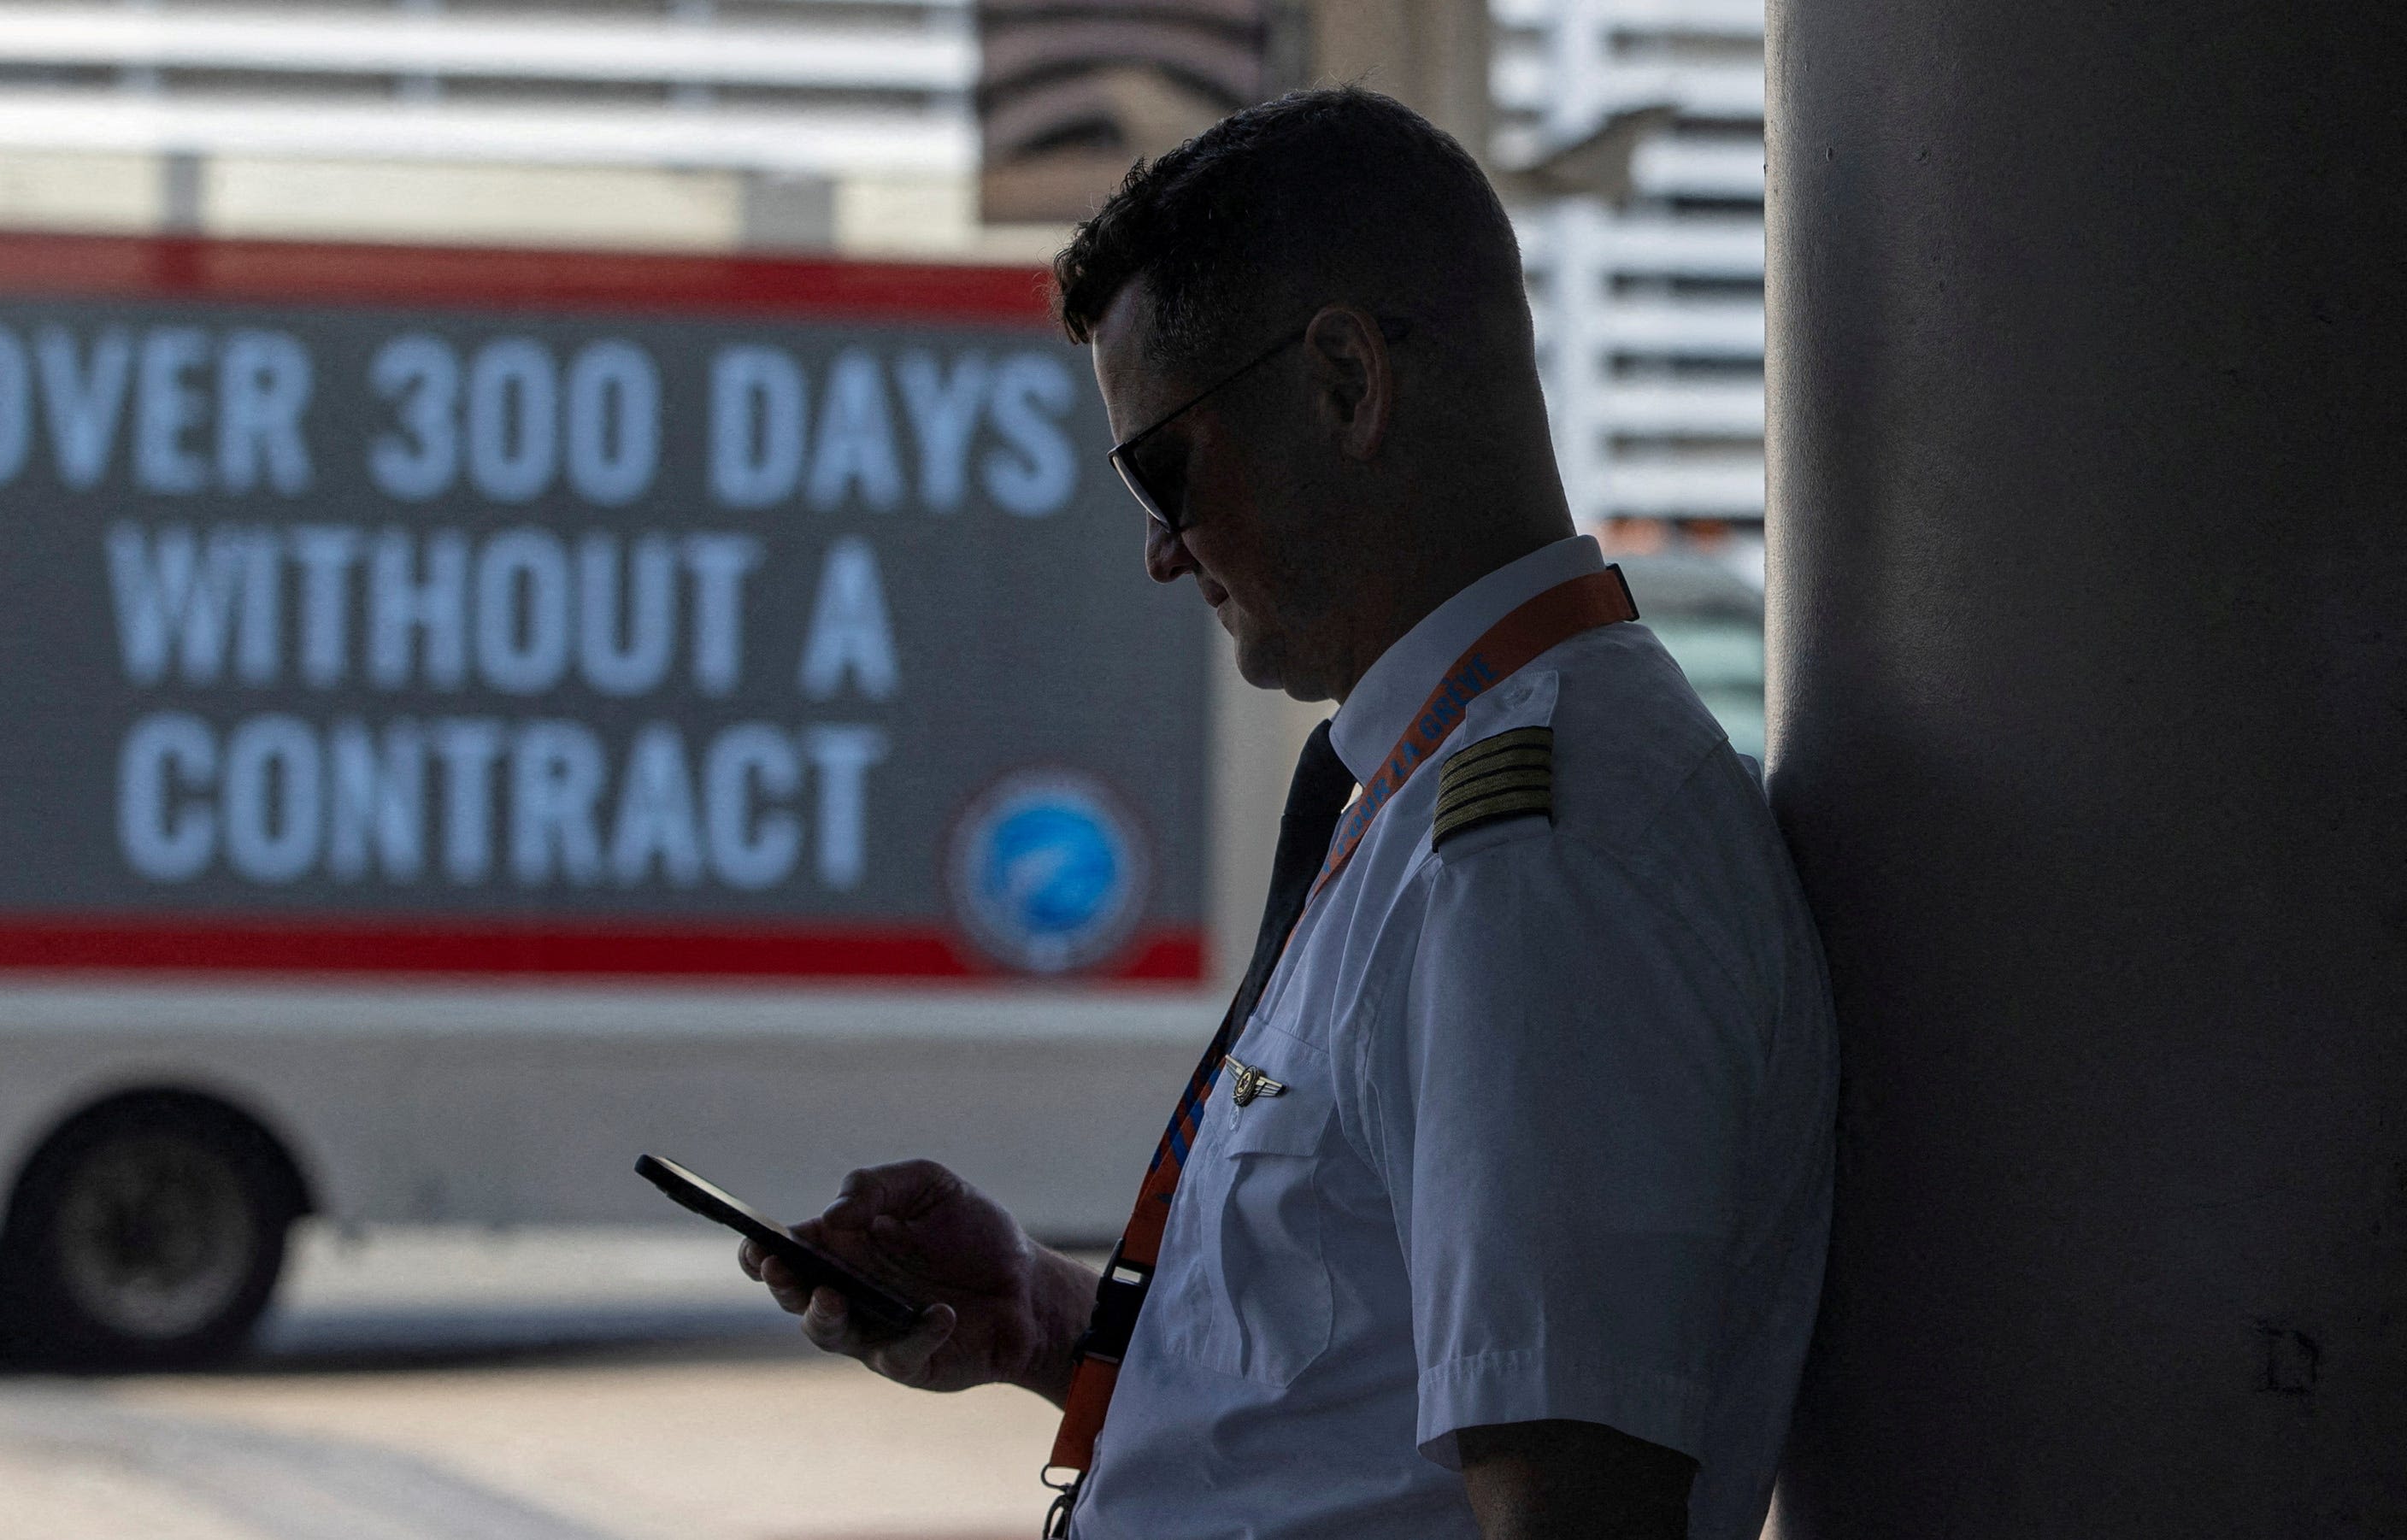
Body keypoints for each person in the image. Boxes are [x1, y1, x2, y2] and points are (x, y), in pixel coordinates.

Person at [739, 86, 1836, 1540]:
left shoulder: (1536, 859)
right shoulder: (1428, 798)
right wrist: (1037, 1310)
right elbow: (1347, 1394)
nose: (1155, 552)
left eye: (1162, 469)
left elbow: (1571, 1507)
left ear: (1344, 382)